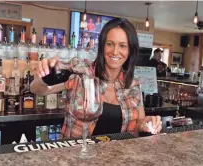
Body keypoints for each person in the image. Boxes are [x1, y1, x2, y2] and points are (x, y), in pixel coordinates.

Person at [30, 18, 162, 139]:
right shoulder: (81, 71)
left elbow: (139, 123)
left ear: (130, 51)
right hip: (75, 156)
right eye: (110, 44)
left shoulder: (133, 84)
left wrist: (147, 124)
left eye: (122, 45)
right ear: (102, 46)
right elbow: (37, 89)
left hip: (117, 158)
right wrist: (46, 74)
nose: (115, 52)